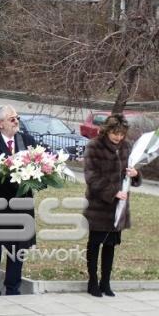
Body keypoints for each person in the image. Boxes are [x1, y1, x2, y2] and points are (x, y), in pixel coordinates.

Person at [0, 105, 37, 296]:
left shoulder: (27, 141)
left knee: (18, 249)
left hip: (21, 205)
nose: (16, 121)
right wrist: (9, 172)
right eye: (12, 119)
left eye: (17, 117)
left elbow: (38, 168)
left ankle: (13, 288)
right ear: (0, 123)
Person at [83, 114, 141, 297]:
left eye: (122, 134)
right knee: (95, 243)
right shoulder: (94, 146)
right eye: (115, 133)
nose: (118, 137)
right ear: (107, 130)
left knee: (110, 245)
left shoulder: (127, 147)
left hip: (119, 207)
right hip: (99, 205)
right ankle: (92, 281)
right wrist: (112, 192)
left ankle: (105, 282)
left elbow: (135, 176)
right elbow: (91, 176)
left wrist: (135, 174)